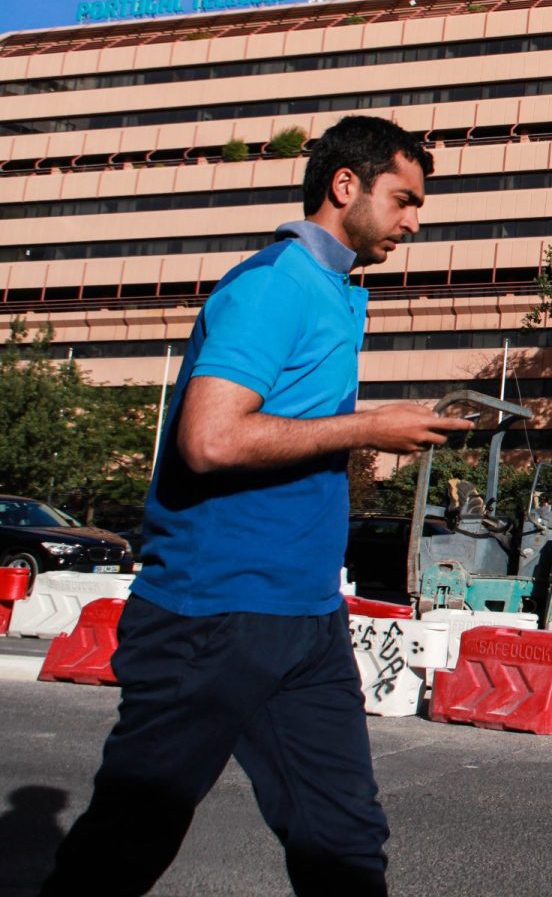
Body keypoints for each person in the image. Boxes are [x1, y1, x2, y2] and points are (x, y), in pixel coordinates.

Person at [43, 116, 474, 897]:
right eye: (404, 200)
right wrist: (371, 426)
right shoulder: (274, 284)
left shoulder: (341, 294)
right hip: (210, 615)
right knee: (128, 843)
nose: (414, 222)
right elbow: (209, 440)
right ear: (346, 186)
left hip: (303, 618)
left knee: (343, 837)